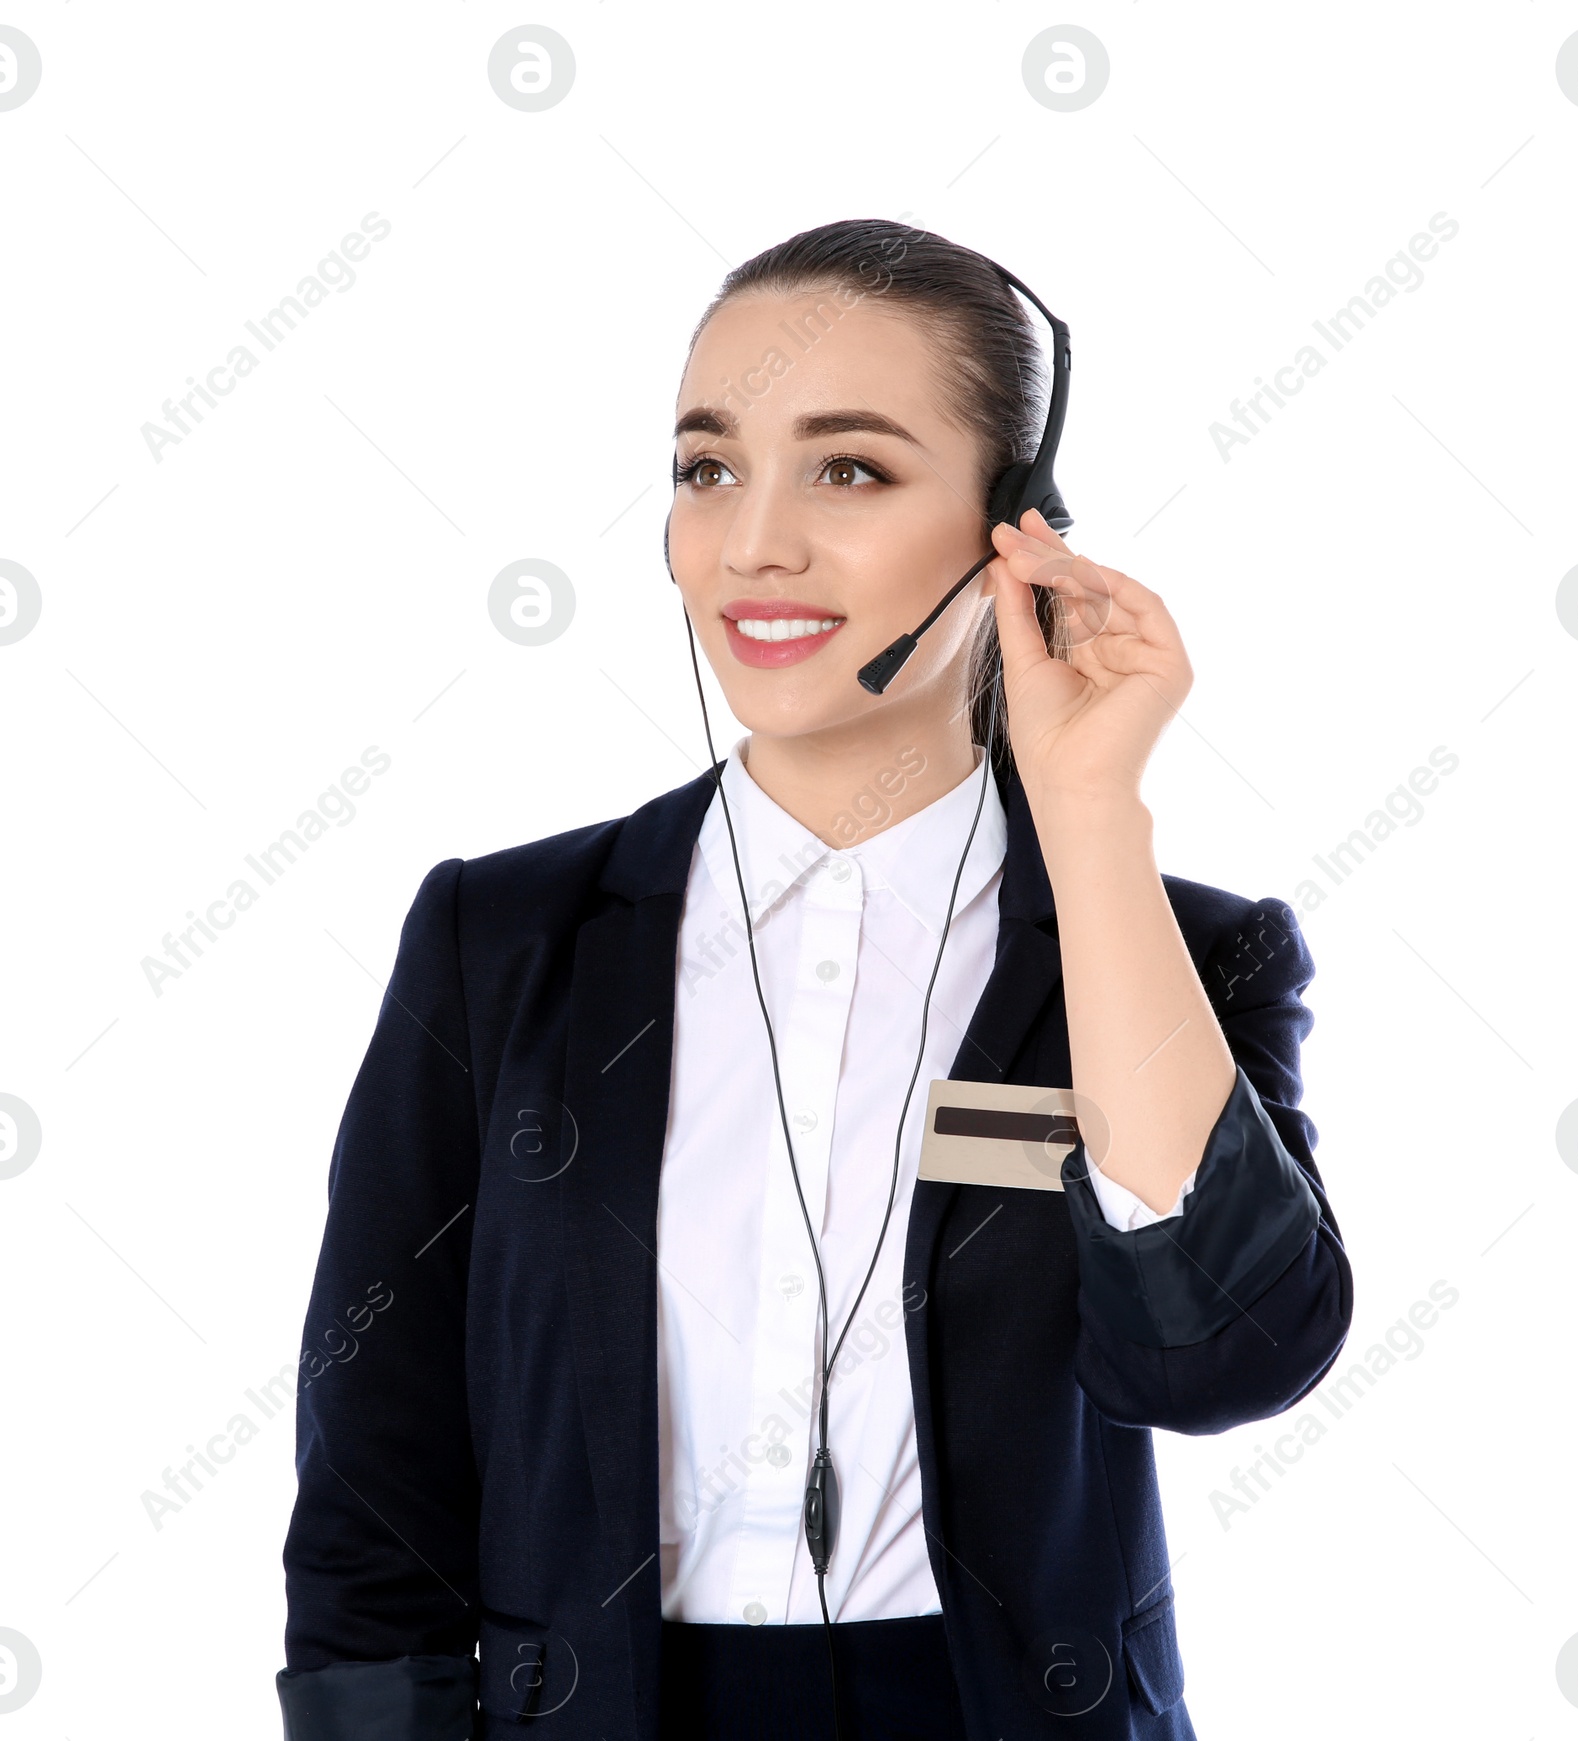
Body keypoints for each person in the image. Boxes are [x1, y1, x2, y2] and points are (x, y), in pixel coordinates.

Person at [274, 218, 1353, 1741]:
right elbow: (374, 1467)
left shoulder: (1179, 945)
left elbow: (1222, 1355)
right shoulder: (502, 938)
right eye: (709, 467)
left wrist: (1093, 819)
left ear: (1015, 527)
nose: (755, 542)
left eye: (849, 469)